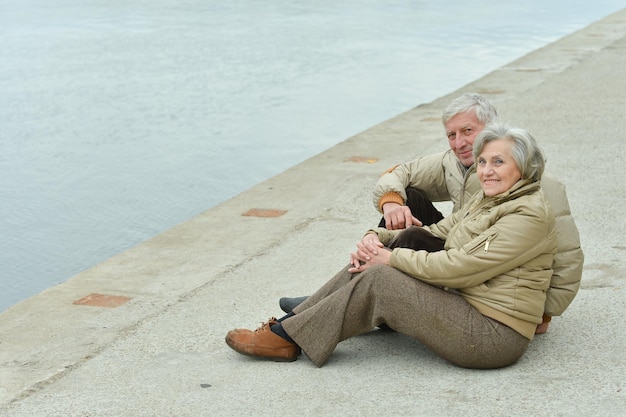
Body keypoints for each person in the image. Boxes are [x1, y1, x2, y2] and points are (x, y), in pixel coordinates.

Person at [226, 123, 556, 368]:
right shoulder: (489, 199)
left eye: (498, 162)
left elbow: (461, 268)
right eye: (482, 162)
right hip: (471, 307)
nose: (485, 171)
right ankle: (294, 322)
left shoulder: (526, 215)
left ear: (524, 168)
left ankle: (287, 339)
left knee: (383, 276)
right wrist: (376, 238)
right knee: (400, 243)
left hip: (493, 336)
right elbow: (440, 230)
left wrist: (390, 259)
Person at [280, 93, 583, 334]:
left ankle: (352, 300)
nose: (460, 142)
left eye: (468, 131)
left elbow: (567, 253)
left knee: (393, 258)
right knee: (409, 201)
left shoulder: (536, 187)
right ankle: (339, 298)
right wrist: (391, 204)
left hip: (487, 262)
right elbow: (396, 173)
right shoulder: (453, 163)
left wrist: (545, 311)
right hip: (463, 240)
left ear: (491, 132)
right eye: (451, 134)